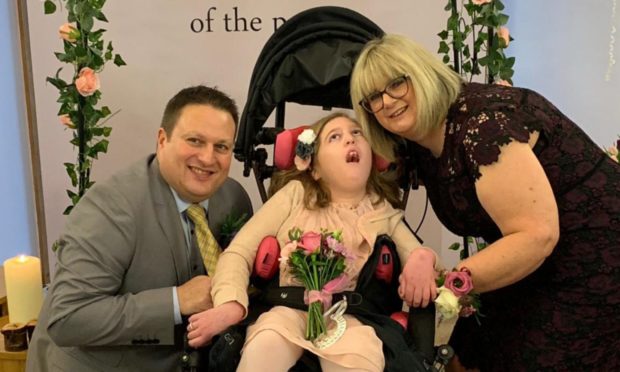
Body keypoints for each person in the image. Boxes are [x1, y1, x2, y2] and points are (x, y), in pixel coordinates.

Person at [350, 33, 620, 370]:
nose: (387, 101)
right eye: (373, 97)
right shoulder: (417, 141)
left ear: (421, 74)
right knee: (465, 343)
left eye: (396, 84)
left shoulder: (484, 124)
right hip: (538, 258)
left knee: (533, 354)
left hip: (597, 254)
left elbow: (536, 235)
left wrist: (446, 280)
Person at [184, 112, 439, 372]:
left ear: (373, 157)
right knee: (266, 343)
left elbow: (416, 252)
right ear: (314, 167)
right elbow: (239, 252)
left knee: (360, 357)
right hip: (287, 308)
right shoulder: (294, 196)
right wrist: (231, 304)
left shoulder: (384, 212)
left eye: (357, 133)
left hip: (352, 316)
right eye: (335, 137)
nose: (350, 140)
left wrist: (422, 257)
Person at [26, 85, 253, 372]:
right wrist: (176, 301)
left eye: (221, 146)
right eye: (195, 141)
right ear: (162, 139)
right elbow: (68, 318)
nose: (208, 158)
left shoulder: (233, 197)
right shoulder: (110, 208)